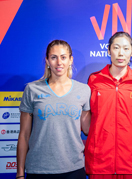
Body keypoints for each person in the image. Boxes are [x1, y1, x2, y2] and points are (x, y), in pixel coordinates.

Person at [85, 31, 132, 179]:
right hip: (100, 163)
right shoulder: (94, 80)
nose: (120, 53)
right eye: (116, 47)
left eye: (125, 48)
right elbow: (85, 117)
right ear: (108, 50)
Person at [17, 40, 91, 179]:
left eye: (63, 57)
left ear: (70, 60)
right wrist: (20, 173)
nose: (59, 62)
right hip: (38, 169)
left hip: (74, 168)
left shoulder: (84, 90)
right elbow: (24, 135)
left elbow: (88, 129)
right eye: (53, 57)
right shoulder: (32, 89)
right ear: (47, 61)